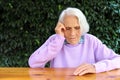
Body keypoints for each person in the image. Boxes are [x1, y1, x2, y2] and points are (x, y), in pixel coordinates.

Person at [28, 7, 120, 76]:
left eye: (77, 28)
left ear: (82, 26)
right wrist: (59, 40)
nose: (72, 34)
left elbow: (118, 60)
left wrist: (96, 67)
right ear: (62, 28)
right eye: (68, 28)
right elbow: (33, 63)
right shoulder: (55, 39)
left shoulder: (91, 41)